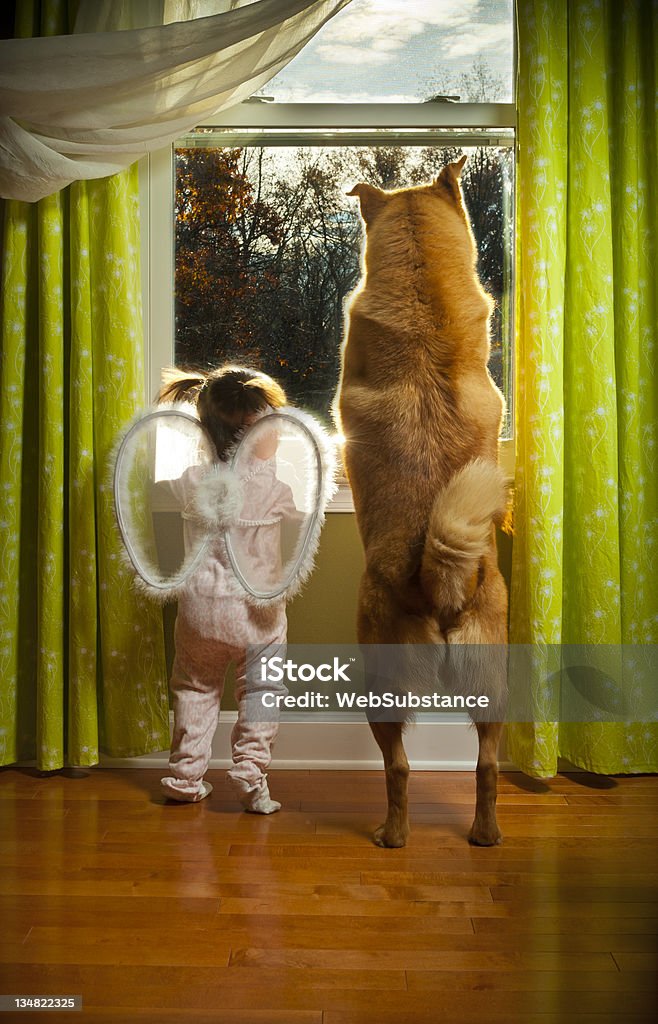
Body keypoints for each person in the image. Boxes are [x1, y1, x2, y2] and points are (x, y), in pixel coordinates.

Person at [157, 365, 295, 813]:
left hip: (199, 612)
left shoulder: (192, 481)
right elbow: (306, 507)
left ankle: (183, 777)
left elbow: (171, 482)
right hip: (257, 615)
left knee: (195, 689)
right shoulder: (276, 486)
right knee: (261, 689)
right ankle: (251, 775)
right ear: (258, 432)